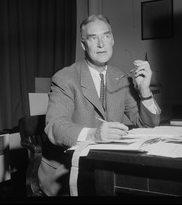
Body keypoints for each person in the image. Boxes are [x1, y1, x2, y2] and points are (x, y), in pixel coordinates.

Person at [37, 15, 161, 196]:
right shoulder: (65, 78)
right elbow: (55, 126)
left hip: (106, 167)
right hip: (68, 170)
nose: (101, 44)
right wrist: (94, 134)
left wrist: (144, 91)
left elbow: (147, 124)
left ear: (112, 40)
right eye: (93, 38)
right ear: (83, 44)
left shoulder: (120, 78)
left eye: (106, 36)